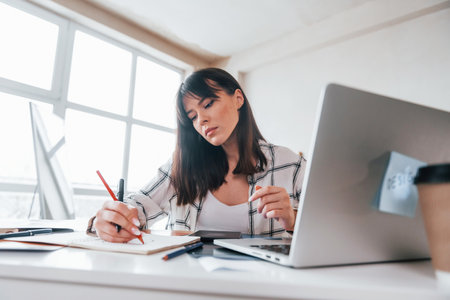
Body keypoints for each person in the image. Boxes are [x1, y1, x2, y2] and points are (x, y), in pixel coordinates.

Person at [88, 68, 306, 243]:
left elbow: (333, 228)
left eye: (208, 104)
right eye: (192, 116)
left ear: (238, 99)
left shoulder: (291, 166)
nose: (201, 120)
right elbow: (138, 205)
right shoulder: (183, 165)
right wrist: (111, 219)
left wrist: (293, 220)